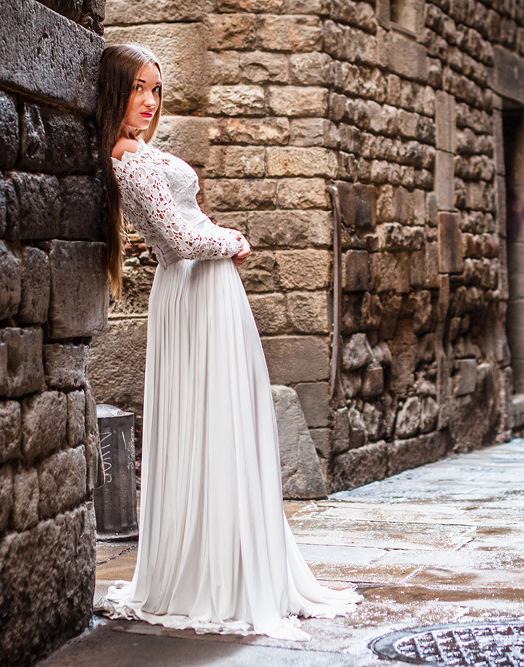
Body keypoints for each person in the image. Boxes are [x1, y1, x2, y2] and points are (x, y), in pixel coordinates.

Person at [92, 43, 361, 641]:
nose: (150, 101)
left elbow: (187, 226)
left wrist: (215, 237)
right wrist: (231, 240)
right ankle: (208, 576)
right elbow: (178, 238)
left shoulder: (141, 154)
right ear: (115, 92)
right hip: (192, 289)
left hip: (202, 292)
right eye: (138, 88)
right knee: (207, 420)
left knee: (226, 419)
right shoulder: (128, 160)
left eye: (156, 90)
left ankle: (237, 563)